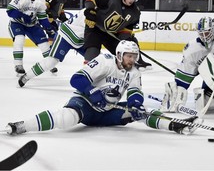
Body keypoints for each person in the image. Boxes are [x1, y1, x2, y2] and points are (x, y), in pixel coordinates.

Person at [5, 40, 202, 136]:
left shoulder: (134, 72)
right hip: (85, 103)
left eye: (134, 56)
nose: (132, 60)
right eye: (128, 56)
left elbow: (134, 93)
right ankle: (22, 126)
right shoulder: (104, 61)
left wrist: (136, 104)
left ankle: (176, 125)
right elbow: (76, 79)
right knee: (66, 118)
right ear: (119, 55)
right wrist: (93, 93)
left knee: (141, 113)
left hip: (107, 112)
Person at [83, 0, 152, 70]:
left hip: (111, 34)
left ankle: (138, 61)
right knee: (91, 54)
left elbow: (126, 31)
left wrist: (127, 40)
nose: (132, 0)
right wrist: (90, 12)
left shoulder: (135, 13)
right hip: (95, 28)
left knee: (126, 50)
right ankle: (88, 73)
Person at [17, 9, 86, 87]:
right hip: (66, 35)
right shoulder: (90, 12)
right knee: (51, 62)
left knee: (98, 59)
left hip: (81, 39)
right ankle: (27, 76)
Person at [6, 0, 56, 75]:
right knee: (19, 40)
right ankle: (18, 65)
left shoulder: (41, 0)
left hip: (32, 25)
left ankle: (49, 64)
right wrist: (22, 15)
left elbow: (42, 17)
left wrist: (49, 27)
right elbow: (10, 11)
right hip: (17, 23)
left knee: (45, 44)